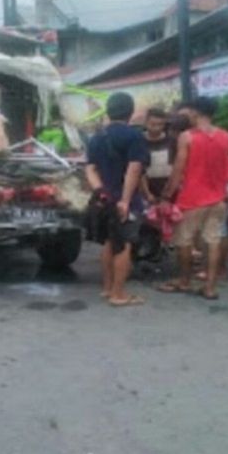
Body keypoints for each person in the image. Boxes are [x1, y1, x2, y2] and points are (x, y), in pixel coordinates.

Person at [158, 97, 228, 300]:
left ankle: (184, 281)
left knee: (184, 241)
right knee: (213, 241)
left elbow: (178, 170)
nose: (185, 115)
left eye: (187, 112)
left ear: (195, 112)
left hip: (192, 199)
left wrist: (166, 195)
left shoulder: (187, 137)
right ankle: (210, 287)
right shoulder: (225, 136)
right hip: (218, 199)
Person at [85, 92, 149, 307]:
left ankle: (107, 288)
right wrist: (124, 200)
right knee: (124, 245)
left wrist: (101, 191)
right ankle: (118, 294)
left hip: (105, 199)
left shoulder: (97, 137)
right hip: (124, 199)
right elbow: (134, 169)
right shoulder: (134, 137)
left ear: (109, 111)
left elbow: (90, 169)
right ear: (130, 112)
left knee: (110, 242)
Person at [140, 108, 175, 203]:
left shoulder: (171, 141)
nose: (156, 128)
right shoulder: (139, 141)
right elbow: (139, 170)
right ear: (146, 123)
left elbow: (176, 167)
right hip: (147, 192)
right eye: (153, 124)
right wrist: (147, 193)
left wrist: (170, 190)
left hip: (169, 191)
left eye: (160, 124)